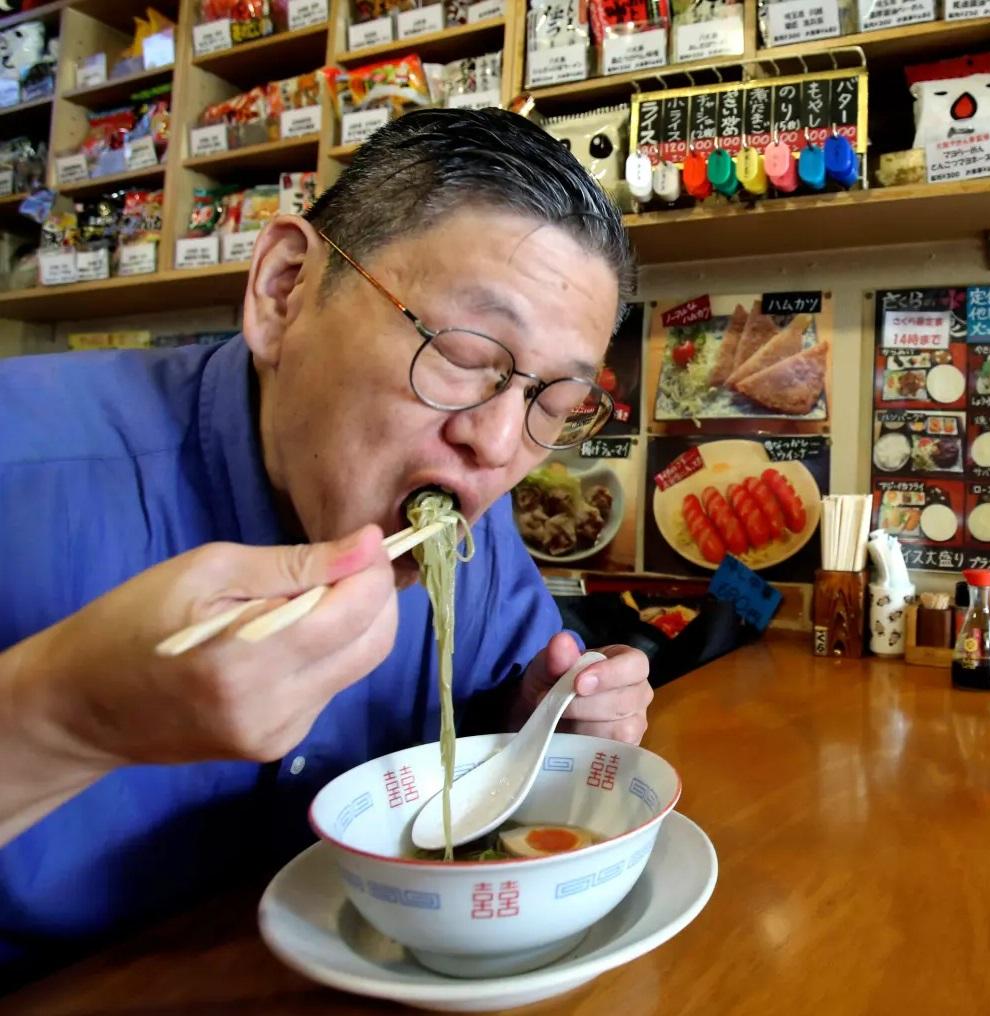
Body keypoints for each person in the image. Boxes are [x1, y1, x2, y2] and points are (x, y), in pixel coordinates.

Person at [0, 108, 653, 983]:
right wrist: (75, 717)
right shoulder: (25, 466)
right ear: (285, 289)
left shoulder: (475, 540)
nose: (498, 444)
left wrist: (538, 729)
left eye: (555, 405)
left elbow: (506, 737)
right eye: (463, 353)